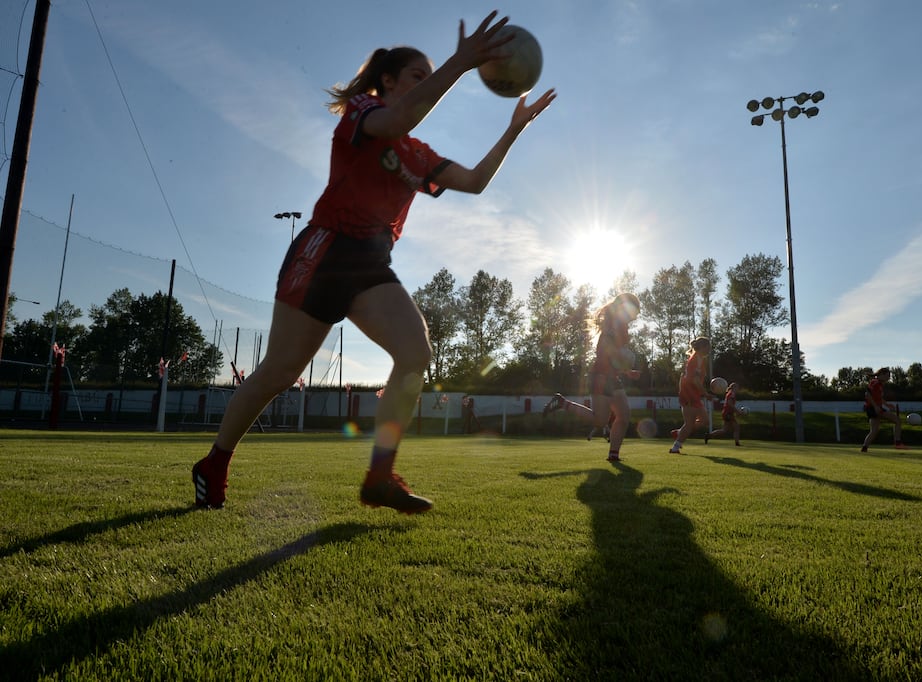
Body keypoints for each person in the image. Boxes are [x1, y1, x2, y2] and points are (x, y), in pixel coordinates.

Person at [191, 12, 557, 514]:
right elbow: (400, 117)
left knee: (415, 352)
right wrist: (461, 62)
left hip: (369, 262)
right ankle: (214, 462)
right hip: (325, 249)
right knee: (278, 373)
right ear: (388, 80)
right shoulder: (363, 112)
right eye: (416, 76)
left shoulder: (417, 150)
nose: (424, 85)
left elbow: (474, 181)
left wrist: (514, 129)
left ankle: (379, 477)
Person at [542, 293, 642, 462]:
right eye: (636, 310)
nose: (637, 314)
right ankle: (562, 403)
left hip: (611, 377)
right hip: (601, 377)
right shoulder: (612, 325)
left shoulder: (622, 327)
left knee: (623, 416)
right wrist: (621, 359)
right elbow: (603, 351)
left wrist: (626, 370)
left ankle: (613, 455)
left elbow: (613, 357)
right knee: (600, 421)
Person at [668, 337, 712, 454]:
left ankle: (679, 433)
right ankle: (675, 447)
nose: (709, 349)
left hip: (693, 394)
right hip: (689, 395)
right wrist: (705, 393)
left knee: (704, 421)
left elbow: (683, 377)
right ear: (702, 347)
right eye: (708, 347)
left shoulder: (699, 360)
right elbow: (694, 380)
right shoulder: (694, 360)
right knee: (690, 424)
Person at [861, 367, 908, 452]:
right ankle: (898, 442)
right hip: (873, 408)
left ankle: (864, 448)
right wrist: (875, 407)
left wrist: (887, 404)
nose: (889, 377)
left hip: (873, 408)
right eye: (887, 375)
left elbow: (877, 397)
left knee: (874, 431)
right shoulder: (875, 382)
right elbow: (867, 394)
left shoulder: (879, 384)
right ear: (881, 375)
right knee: (897, 420)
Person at [705, 381, 742, 446]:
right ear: (734, 388)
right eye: (737, 387)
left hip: (726, 413)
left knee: (724, 430)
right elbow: (730, 403)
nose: (738, 389)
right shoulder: (732, 394)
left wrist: (735, 411)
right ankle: (737, 443)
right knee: (736, 427)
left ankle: (709, 435)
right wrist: (737, 411)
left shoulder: (729, 393)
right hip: (728, 413)